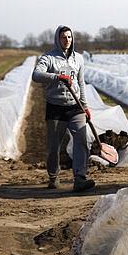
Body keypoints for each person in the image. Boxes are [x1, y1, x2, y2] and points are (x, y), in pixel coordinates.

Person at [32, 25, 95, 192]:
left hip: (75, 107)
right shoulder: (49, 58)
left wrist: (85, 107)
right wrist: (57, 77)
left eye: (69, 37)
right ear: (57, 39)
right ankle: (53, 176)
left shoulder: (79, 59)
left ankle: (80, 178)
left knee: (81, 141)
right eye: (63, 37)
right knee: (54, 147)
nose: (67, 40)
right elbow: (36, 75)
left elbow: (81, 83)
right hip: (55, 108)